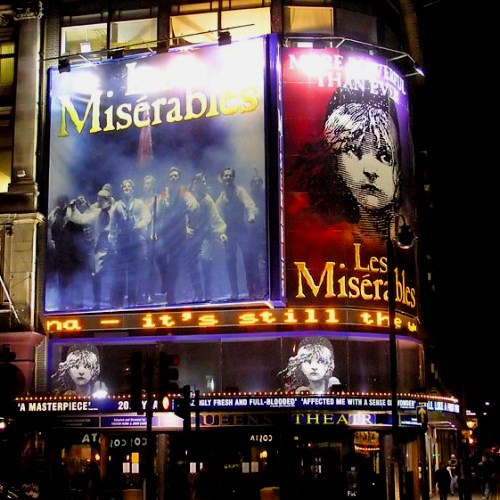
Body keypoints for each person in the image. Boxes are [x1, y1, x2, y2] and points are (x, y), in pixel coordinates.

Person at [288, 81, 402, 246]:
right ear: (335, 159)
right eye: (354, 151)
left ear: (398, 169)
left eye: (384, 156)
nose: (370, 170)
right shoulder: (325, 234)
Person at [215, 167, 260, 300]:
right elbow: (216, 213)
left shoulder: (239, 191)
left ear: (233, 178)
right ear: (222, 178)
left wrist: (251, 216)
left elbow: (250, 205)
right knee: (230, 261)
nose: (228, 178)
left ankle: (251, 291)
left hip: (241, 230)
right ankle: (234, 292)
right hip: (229, 232)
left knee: (247, 259)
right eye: (226, 175)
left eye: (230, 175)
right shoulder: (222, 196)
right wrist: (220, 231)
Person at [156, 166, 199, 304]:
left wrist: (185, 212)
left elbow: (194, 205)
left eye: (176, 176)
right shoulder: (164, 192)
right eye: (171, 176)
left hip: (178, 232)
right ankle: (165, 280)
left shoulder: (183, 191)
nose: (173, 178)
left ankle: (171, 294)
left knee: (174, 264)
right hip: (165, 231)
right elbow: (157, 210)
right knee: (159, 255)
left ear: (179, 178)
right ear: (168, 178)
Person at [68, 188, 116, 309]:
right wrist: (73, 208)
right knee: (96, 274)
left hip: (115, 247)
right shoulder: (96, 214)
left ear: (107, 200)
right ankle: (97, 303)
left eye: (101, 199)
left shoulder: (116, 211)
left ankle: (115, 302)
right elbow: (80, 219)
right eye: (98, 198)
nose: (98, 201)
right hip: (100, 248)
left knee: (115, 274)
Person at [109, 178, 151, 308]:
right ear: (122, 190)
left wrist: (140, 225)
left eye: (129, 187)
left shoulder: (139, 203)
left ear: (133, 189)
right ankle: (119, 303)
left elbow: (147, 217)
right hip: (122, 242)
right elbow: (112, 226)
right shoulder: (117, 205)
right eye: (124, 187)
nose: (126, 188)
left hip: (136, 241)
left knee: (134, 273)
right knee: (121, 273)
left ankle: (133, 302)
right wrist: (113, 243)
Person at [186, 173, 227, 302]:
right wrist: (185, 228)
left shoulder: (207, 199)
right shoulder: (186, 196)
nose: (204, 184)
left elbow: (215, 217)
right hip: (190, 235)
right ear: (195, 183)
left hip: (204, 235)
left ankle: (207, 293)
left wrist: (220, 232)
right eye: (202, 181)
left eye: (205, 181)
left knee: (205, 260)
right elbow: (180, 214)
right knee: (192, 264)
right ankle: (198, 294)